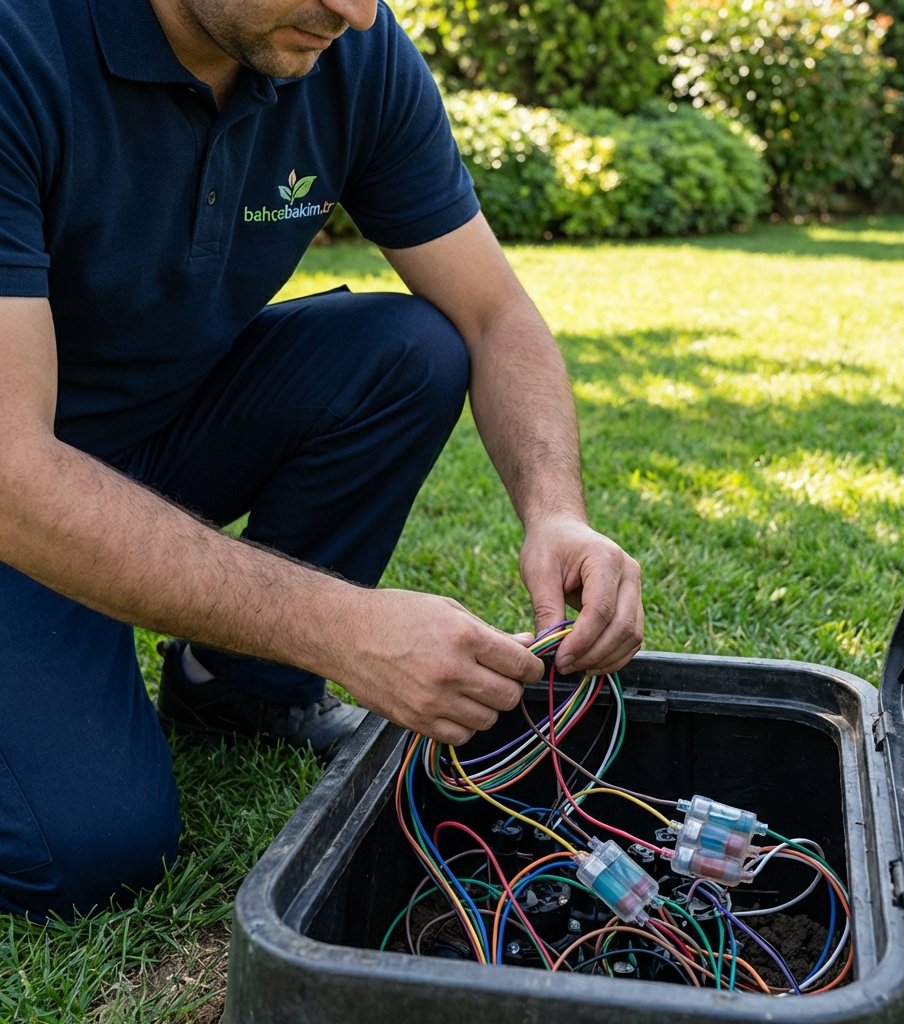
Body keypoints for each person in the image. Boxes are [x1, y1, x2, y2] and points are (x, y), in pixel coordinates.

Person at [0, 0, 643, 923]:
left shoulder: (350, 51)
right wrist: (339, 625)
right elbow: (13, 473)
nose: (354, 12)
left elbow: (494, 316)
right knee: (88, 851)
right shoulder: (21, 47)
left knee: (412, 350)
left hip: (146, 432)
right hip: (16, 476)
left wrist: (557, 511)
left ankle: (238, 689)